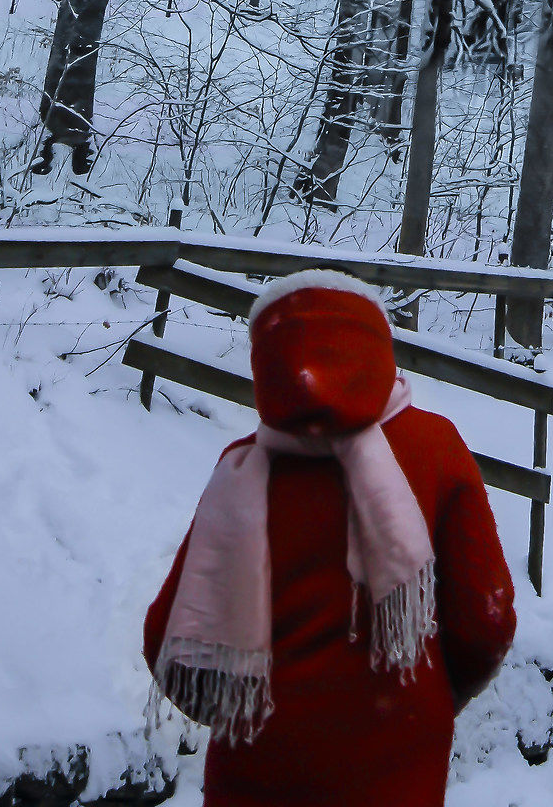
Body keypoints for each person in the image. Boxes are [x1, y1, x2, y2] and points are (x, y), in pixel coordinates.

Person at [144, 270, 516, 805]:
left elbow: (170, 643)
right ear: (375, 346)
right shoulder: (434, 446)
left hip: (258, 771)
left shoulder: (240, 471)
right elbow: (486, 618)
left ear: (267, 362)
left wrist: (258, 720)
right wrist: (422, 697)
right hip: (398, 765)